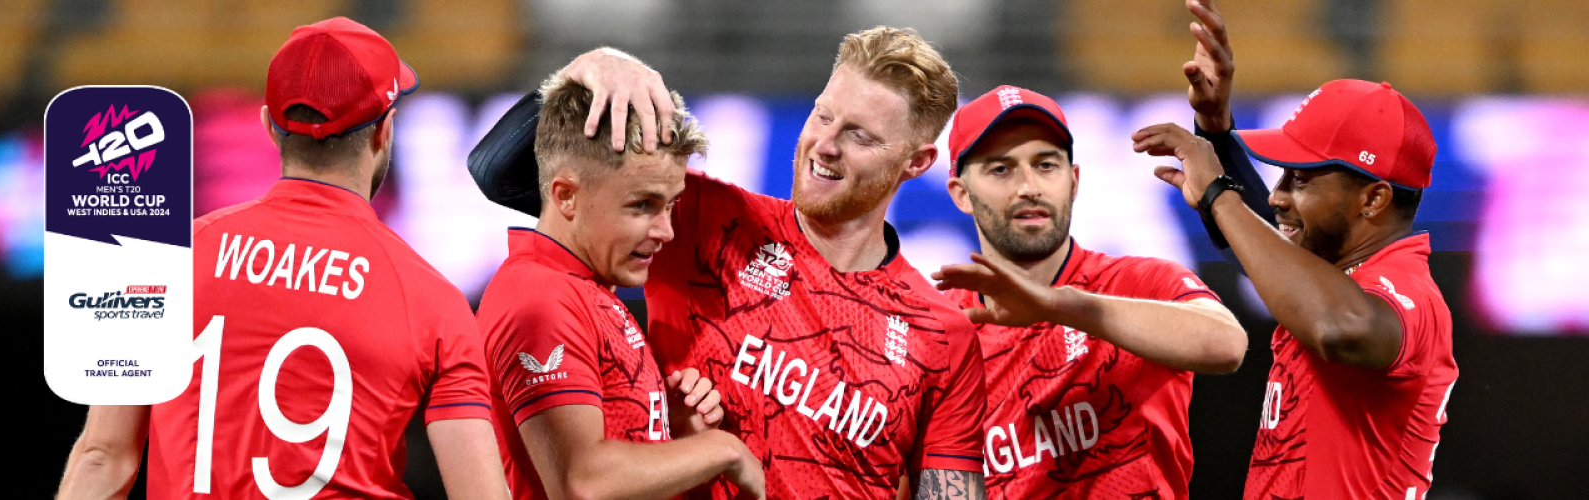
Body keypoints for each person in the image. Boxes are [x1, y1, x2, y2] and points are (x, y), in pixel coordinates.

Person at [469, 28, 988, 500]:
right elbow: (502, 174)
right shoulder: (703, 219)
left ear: (917, 162)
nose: (824, 145)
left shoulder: (942, 336)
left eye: (860, 135)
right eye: (823, 115)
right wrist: (591, 67)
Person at [55, 18, 508, 500]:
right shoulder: (435, 302)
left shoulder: (163, 262)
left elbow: (103, 456)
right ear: (386, 132)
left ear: (270, 125)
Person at [1131, 1, 1459, 497]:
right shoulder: (1327, 276)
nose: (1278, 194)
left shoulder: (1410, 292)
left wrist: (1219, 192)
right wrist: (1216, 129)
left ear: (1373, 198)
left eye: (1300, 179)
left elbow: (1338, 327)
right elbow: (1262, 251)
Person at [928, 85, 1246, 499]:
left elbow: (1227, 344)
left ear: (1073, 181)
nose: (1029, 187)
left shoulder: (1140, 284)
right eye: (1000, 169)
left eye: (1046, 165)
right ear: (960, 195)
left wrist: (1059, 304)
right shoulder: (937, 335)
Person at [478, 72, 765, 500]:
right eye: (642, 205)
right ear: (566, 196)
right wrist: (720, 450)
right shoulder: (539, 297)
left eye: (670, 205)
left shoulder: (590, 289)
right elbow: (583, 482)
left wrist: (670, 433)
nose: (666, 230)